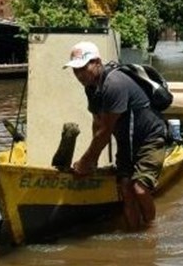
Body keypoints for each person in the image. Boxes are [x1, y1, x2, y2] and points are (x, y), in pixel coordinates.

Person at [63, 41, 168, 231]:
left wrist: (85, 162)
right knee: (126, 190)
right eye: (75, 70)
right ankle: (134, 234)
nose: (79, 75)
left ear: (97, 62)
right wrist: (93, 160)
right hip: (126, 142)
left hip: (150, 138)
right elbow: (97, 122)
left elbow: (106, 130)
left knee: (139, 188)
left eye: (82, 68)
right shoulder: (91, 87)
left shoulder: (114, 84)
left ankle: (151, 232)